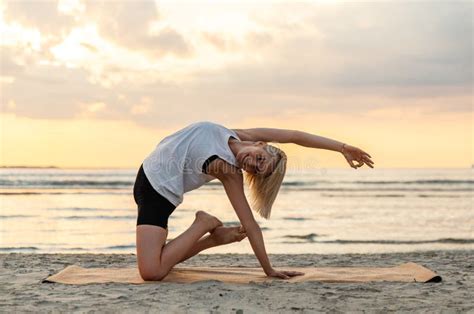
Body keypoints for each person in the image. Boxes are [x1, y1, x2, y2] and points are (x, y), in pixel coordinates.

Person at [133, 121, 374, 281]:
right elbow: (294, 136)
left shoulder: (228, 170)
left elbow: (250, 225)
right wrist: (342, 147)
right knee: (162, 261)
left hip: (158, 193)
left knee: (153, 271)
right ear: (262, 145)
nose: (252, 164)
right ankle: (211, 233)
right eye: (260, 158)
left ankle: (203, 226)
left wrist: (268, 270)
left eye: (257, 169)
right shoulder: (240, 135)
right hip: (148, 175)